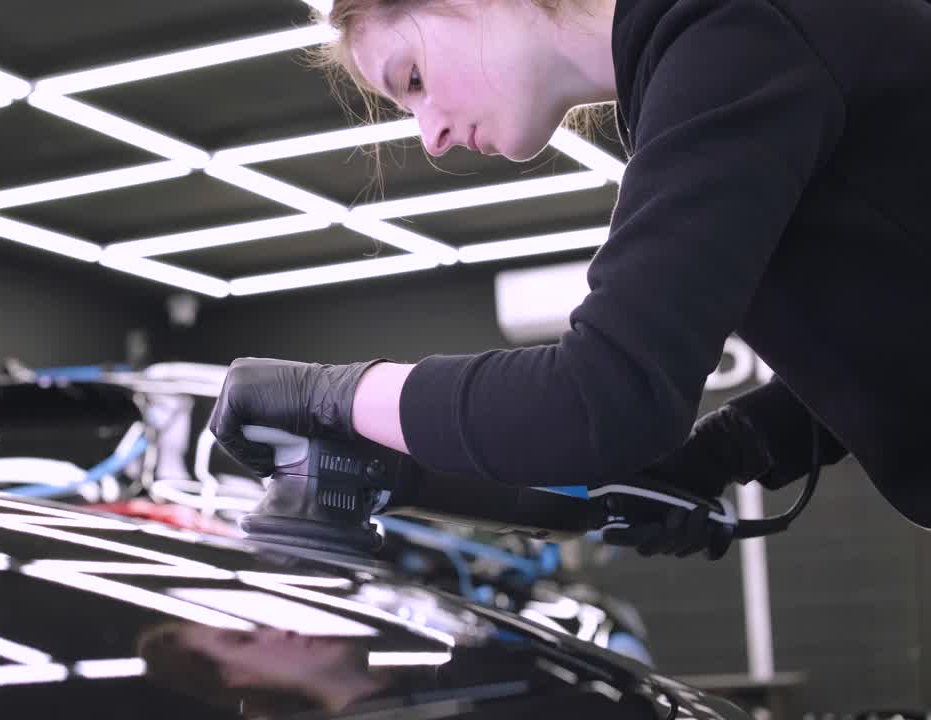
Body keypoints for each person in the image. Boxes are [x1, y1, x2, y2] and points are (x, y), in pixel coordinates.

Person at [209, 0, 931, 557]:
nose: (429, 137)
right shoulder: (715, 53)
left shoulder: (736, 36)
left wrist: (335, 396)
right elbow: (895, 308)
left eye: (415, 79)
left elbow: (601, 399)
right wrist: (736, 445)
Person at [137, 623, 396, 716]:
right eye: (242, 639)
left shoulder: (433, 684)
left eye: (264, 621)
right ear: (236, 677)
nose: (282, 631)